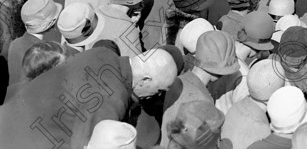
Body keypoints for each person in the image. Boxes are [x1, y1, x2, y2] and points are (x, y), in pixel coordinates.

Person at [0, 46, 177, 149]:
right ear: (145, 79)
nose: (157, 96)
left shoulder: (103, 53)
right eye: (160, 90)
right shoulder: (112, 100)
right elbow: (88, 145)